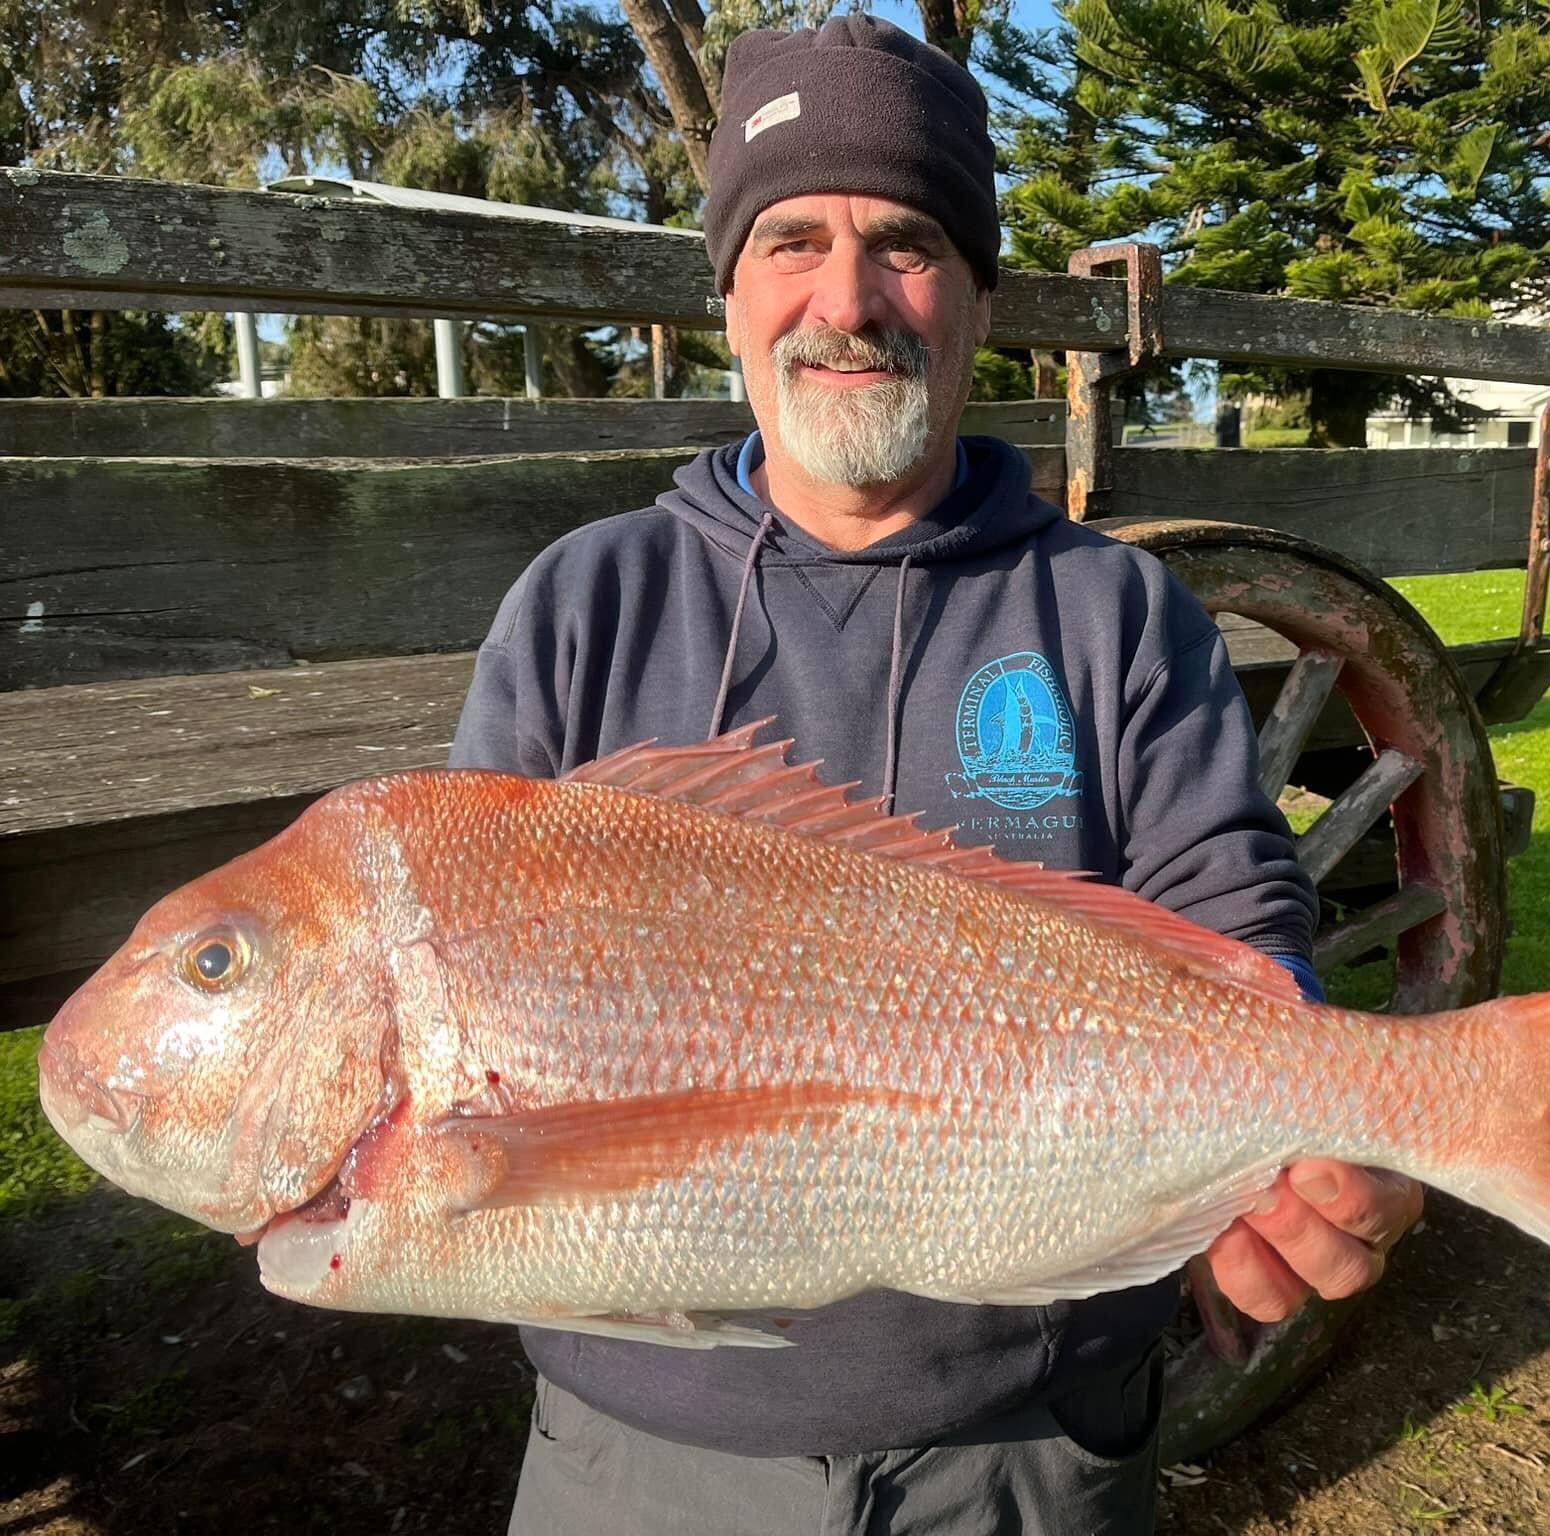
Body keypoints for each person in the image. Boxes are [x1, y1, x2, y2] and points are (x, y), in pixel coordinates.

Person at [449, 15, 1422, 1533]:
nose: (847, 299)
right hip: (639, 1458)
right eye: (790, 242)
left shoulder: (1115, 611)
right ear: (728, 296)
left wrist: (1316, 1126)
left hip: (1025, 1451)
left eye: (904, 243)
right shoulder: (584, 603)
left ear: (974, 297)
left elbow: (1234, 917)